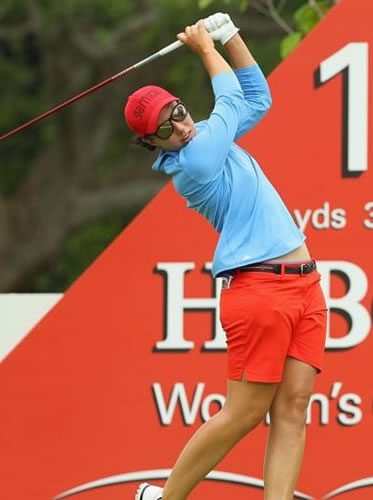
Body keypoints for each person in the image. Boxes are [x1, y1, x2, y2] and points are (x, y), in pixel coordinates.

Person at [123, 14, 327, 500]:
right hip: (259, 290)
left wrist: (231, 36)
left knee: (294, 407)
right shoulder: (194, 162)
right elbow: (232, 98)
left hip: (306, 284)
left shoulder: (210, 138)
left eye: (178, 111)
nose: (180, 125)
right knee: (244, 414)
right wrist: (205, 47)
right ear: (152, 142)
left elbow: (257, 98)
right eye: (165, 127)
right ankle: (165, 499)